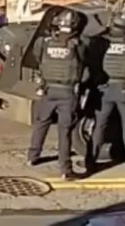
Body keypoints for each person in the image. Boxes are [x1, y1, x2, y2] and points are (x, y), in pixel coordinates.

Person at [27, 10, 88, 180]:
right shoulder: (78, 44)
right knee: (65, 131)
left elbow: (38, 58)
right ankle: (65, 170)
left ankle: (32, 157)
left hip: (48, 89)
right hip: (68, 91)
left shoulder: (44, 42)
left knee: (41, 123)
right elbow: (83, 64)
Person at [87, 13, 125, 175]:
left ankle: (90, 163)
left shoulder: (101, 41)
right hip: (124, 88)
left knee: (99, 126)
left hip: (104, 89)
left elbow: (92, 62)